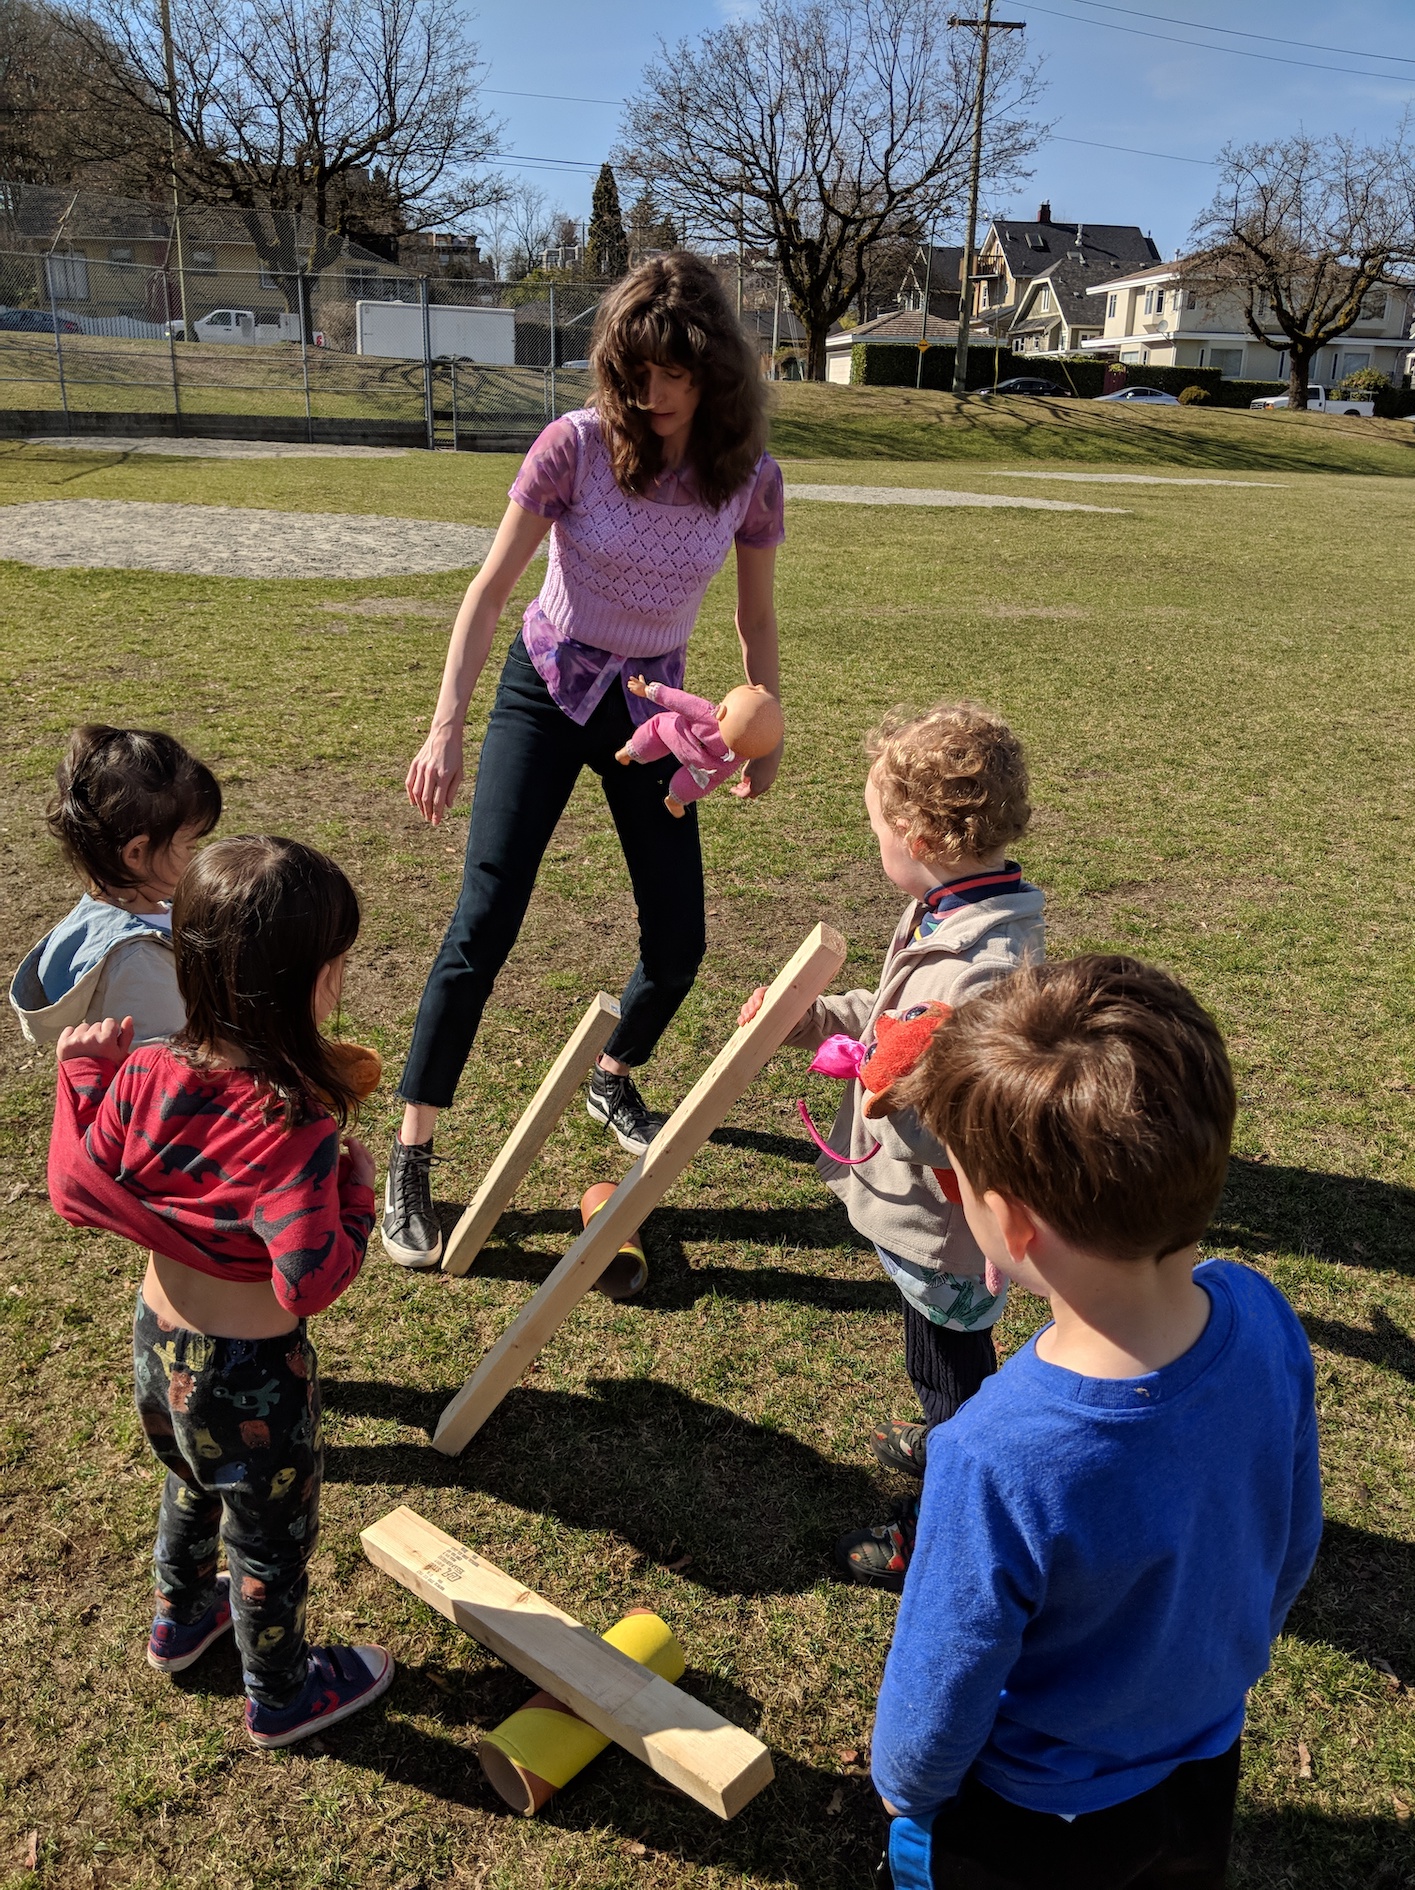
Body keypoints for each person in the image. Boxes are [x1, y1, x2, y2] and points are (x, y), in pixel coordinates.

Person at [871, 955, 1322, 1890]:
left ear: (1014, 1225)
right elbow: (1293, 1532)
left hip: (1033, 1817)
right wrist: (1230, 1657)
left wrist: (903, 1789)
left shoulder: (992, 1453)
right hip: (1202, 1755)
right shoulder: (1262, 1311)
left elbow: (943, 1676)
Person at [385, 250, 785, 1270]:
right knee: (486, 919)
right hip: (546, 688)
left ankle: (612, 1072)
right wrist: (445, 725)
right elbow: (485, 591)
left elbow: (754, 618)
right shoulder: (572, 447)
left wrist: (763, 724)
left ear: (714, 372)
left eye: (676, 374)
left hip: (656, 709)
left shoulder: (749, 478)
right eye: (637, 371)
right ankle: (412, 1155)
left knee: (681, 937)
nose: (652, 394)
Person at [48, 837, 393, 1749]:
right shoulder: (294, 1125)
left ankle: (179, 1617)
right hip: (253, 1380)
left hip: (156, 1345)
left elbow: (97, 1168)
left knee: (188, 1485)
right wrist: (357, 1194)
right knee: (269, 1544)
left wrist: (85, 1076)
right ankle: (279, 1693)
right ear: (314, 983)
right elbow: (311, 1279)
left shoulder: (148, 1071)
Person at [740, 704, 1043, 1586]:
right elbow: (893, 1026)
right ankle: (944, 1430)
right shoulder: (954, 915)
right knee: (938, 1348)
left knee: (952, 1368)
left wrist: (873, 1078)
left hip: (948, 1228)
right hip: (930, 1224)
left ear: (912, 833)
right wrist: (817, 1025)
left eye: (875, 826)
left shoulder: (974, 969)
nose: (874, 841)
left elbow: (957, 1121)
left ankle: (944, 1519)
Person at [10, 724, 221, 1048]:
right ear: (136, 853)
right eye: (190, 846)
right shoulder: (138, 964)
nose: (198, 857)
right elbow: (161, 1082)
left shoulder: (113, 914)